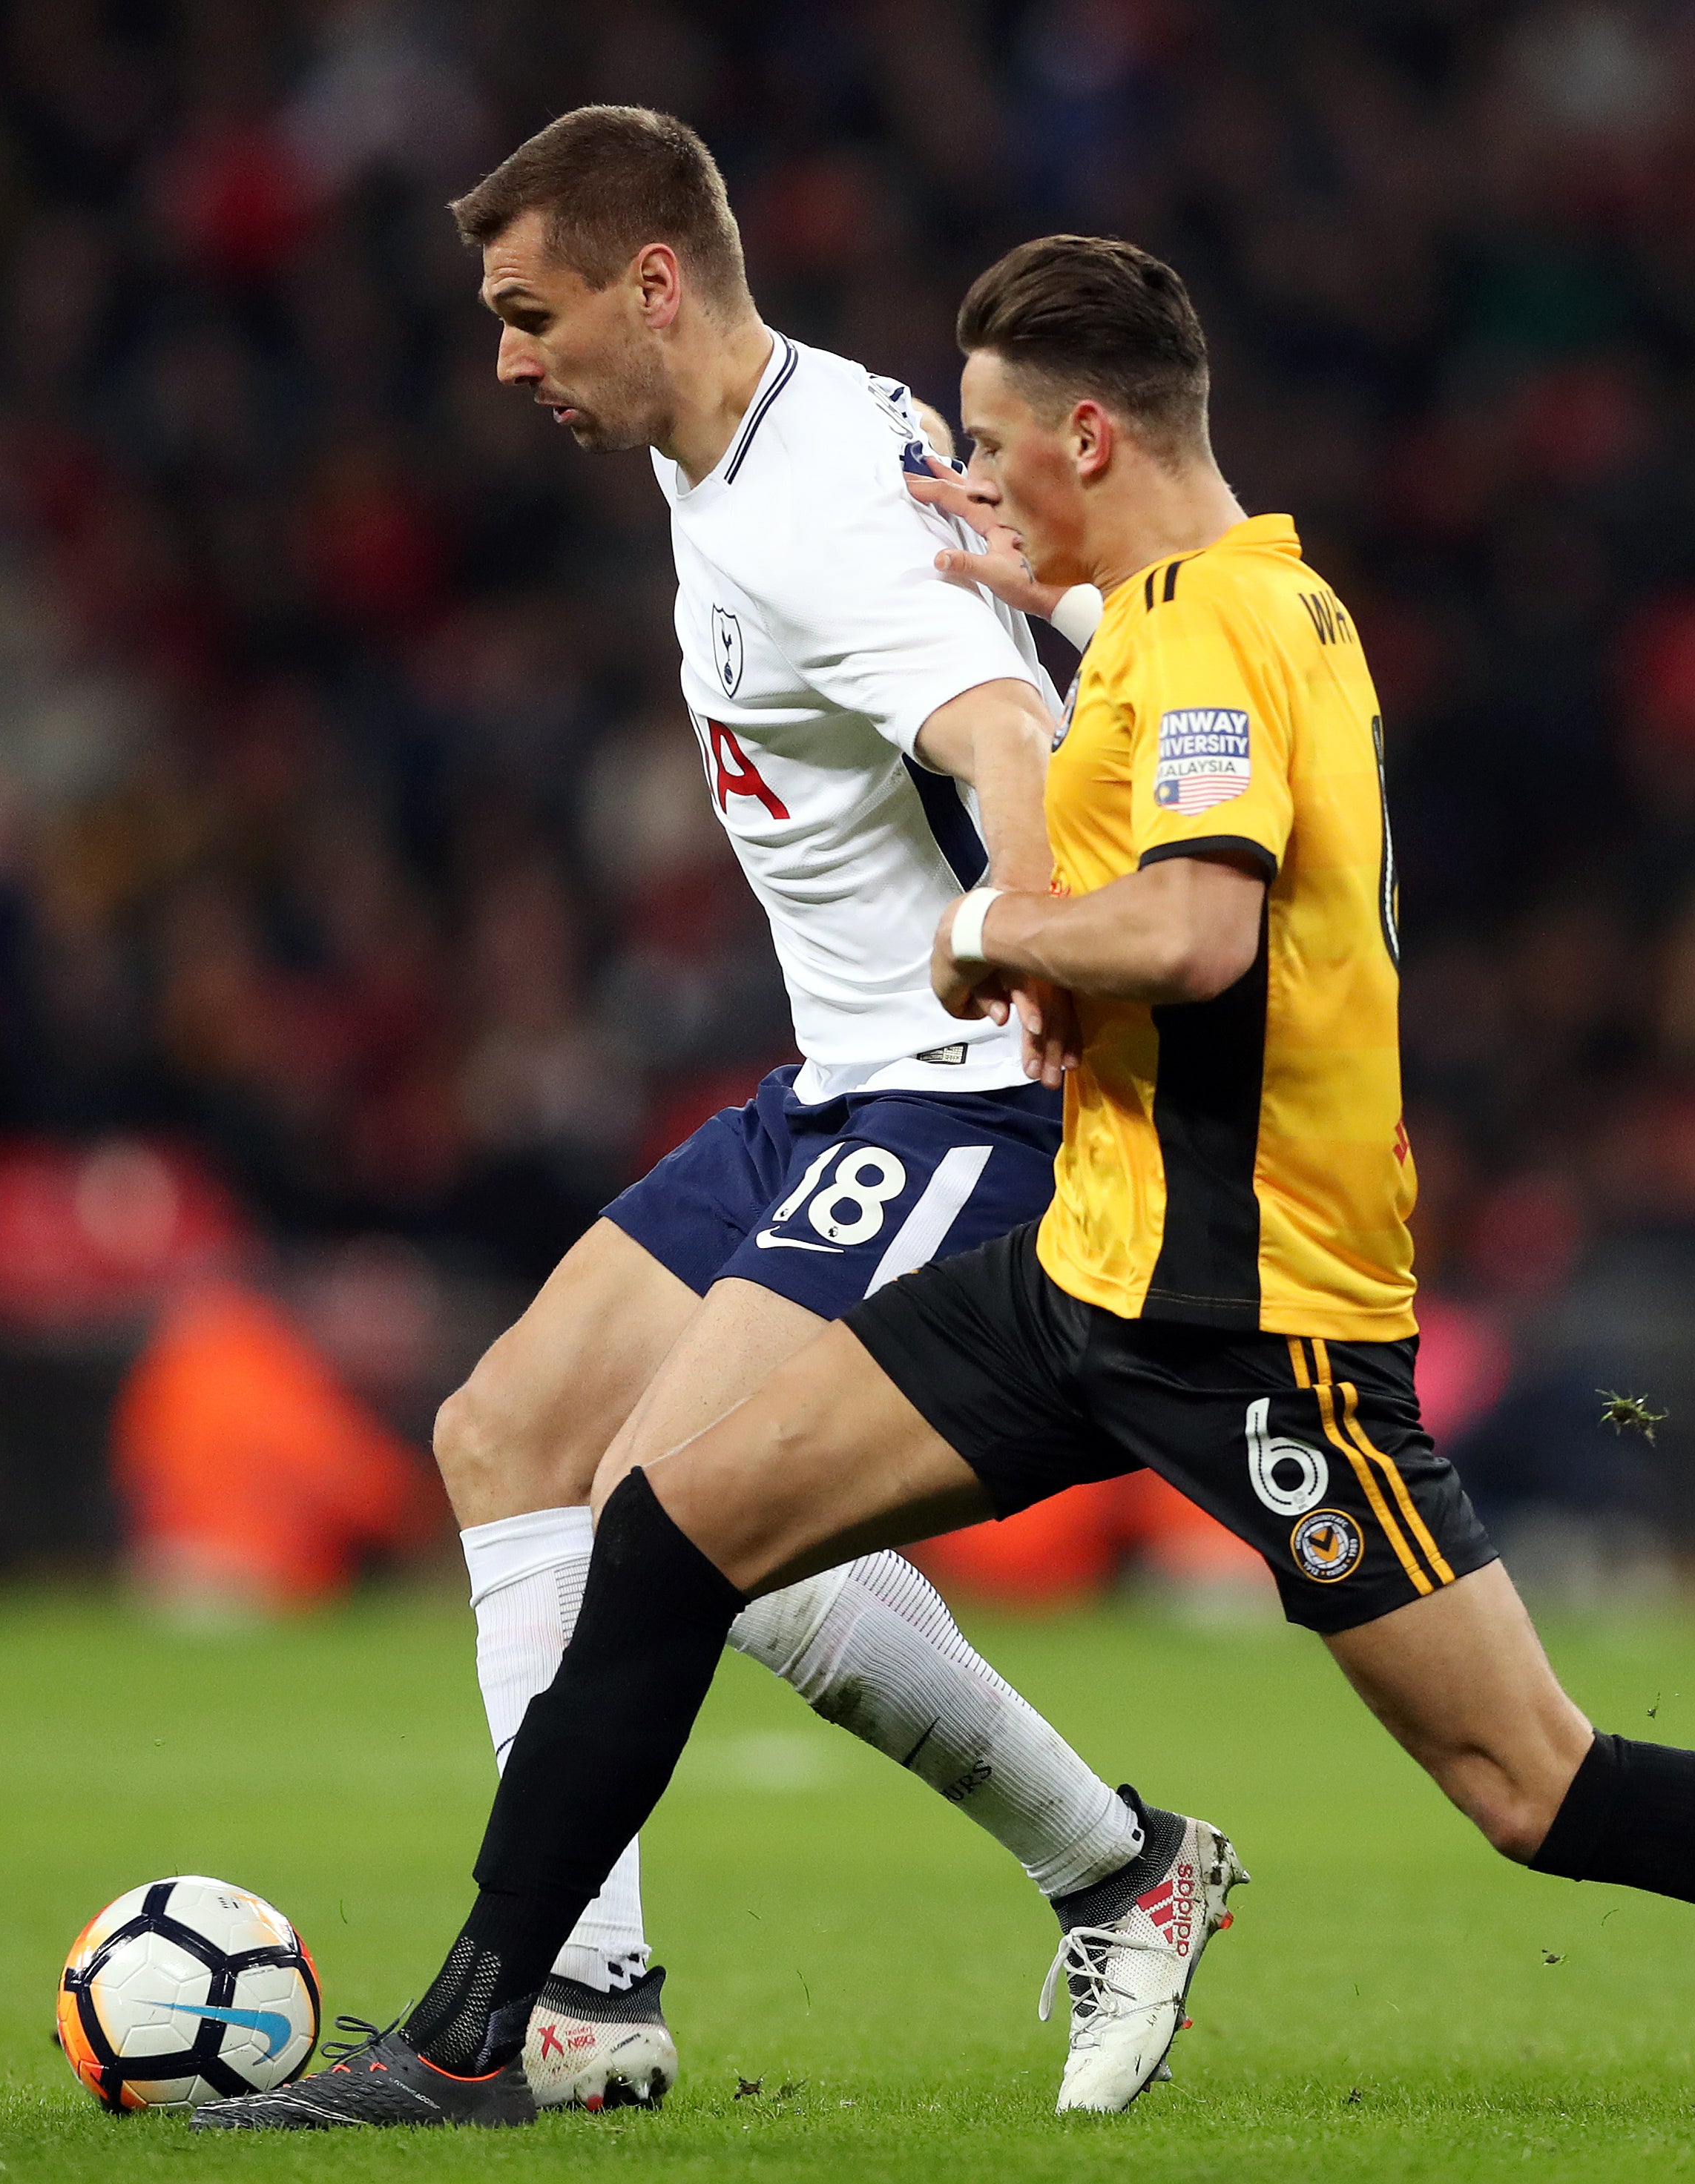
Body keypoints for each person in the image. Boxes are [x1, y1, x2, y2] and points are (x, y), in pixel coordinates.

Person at [214, 232, 1695, 2132]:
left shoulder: (1214, 639)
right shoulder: (1180, 602)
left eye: (998, 445)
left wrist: (996, 938)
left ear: (1093, 433)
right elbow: (1111, 678)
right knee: (664, 1526)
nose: (967, 474)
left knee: (1534, 1785)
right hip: (1079, 1271)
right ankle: (478, 2032)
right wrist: (1010, 575)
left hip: (1256, 1327)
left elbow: (1200, 935)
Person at [234, 109, 1241, 2127]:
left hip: (953, 1098)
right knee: (505, 1430)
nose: (507, 357)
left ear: (654, 282)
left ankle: (555, 2008)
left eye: (531, 314)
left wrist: (1038, 954)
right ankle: (613, 1985)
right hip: (828, 1085)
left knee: (681, 1514)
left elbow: (1003, 727)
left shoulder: (806, 510)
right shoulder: (765, 439)